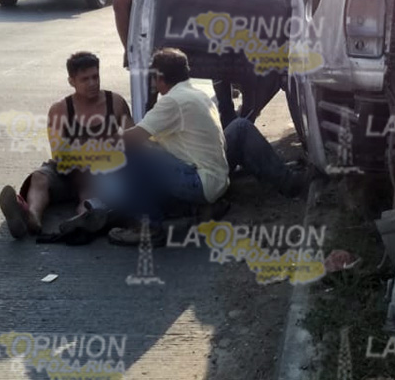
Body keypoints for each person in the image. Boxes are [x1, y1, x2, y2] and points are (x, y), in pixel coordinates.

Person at [103, 48, 306, 244]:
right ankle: (288, 181)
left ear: (160, 79)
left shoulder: (171, 102)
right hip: (218, 178)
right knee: (240, 126)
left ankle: (148, 228)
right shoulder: (196, 94)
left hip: (199, 184)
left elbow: (132, 140)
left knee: (128, 154)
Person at [0, 52, 132, 239]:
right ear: (72, 81)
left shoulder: (115, 102)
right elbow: (58, 153)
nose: (92, 83)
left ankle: (81, 220)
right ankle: (31, 217)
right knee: (39, 177)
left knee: (89, 191)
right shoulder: (60, 109)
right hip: (68, 170)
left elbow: (133, 139)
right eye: (85, 79)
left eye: (95, 77)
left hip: (103, 170)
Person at [207, 0, 283, 126]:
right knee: (218, 72)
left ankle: (247, 119)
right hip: (220, 29)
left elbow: (274, 10)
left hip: (250, 36)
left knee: (250, 80)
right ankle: (226, 113)